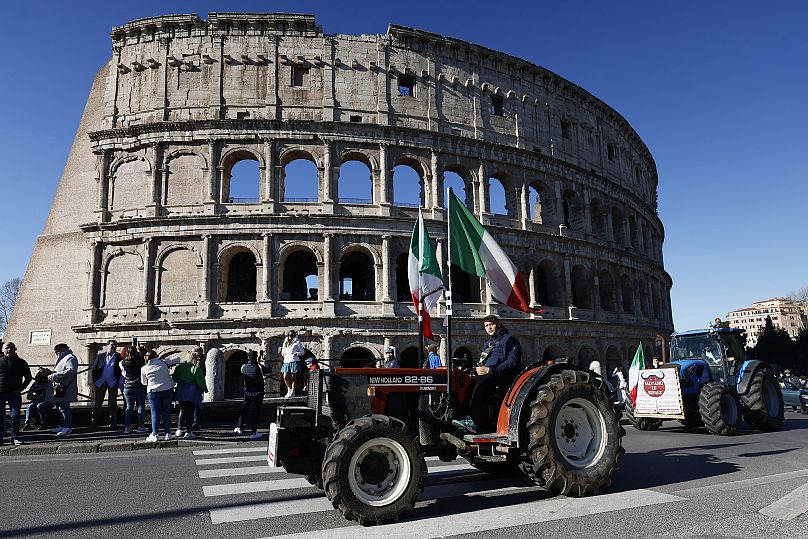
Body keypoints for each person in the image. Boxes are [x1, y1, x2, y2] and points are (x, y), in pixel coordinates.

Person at [452, 315, 522, 433]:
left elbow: (513, 362)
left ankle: (472, 421)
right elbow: (484, 362)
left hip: (503, 376)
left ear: (498, 324)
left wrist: (490, 370)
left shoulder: (510, 340)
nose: (489, 328)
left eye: (491, 324)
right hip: (488, 376)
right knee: (465, 381)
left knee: (479, 383)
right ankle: (463, 417)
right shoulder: (488, 344)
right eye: (486, 326)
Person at [140, 350, 180, 442]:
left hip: (153, 391)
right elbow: (177, 358)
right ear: (156, 356)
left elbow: (144, 382)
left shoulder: (144, 368)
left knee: (155, 413)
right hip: (167, 390)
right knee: (167, 413)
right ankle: (167, 433)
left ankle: (155, 434)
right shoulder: (163, 363)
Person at [0, 342, 33, 446]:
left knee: (15, 416)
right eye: (6, 348)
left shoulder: (21, 362)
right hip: (0, 393)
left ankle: (15, 437)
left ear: (15, 349)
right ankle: (0, 438)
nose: (9, 350)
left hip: (14, 393)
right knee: (0, 416)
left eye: (11, 348)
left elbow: (28, 377)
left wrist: (21, 388)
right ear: (2, 350)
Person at [235, 351, 271, 440]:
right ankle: (253, 431)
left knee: (244, 410)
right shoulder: (259, 367)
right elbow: (269, 369)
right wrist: (263, 361)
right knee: (255, 412)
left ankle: (239, 427)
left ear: (248, 357)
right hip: (258, 393)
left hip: (248, 393)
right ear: (256, 357)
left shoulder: (243, 367)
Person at [173, 351, 207, 439]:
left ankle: (179, 429)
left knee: (182, 410)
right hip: (192, 392)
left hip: (181, 390)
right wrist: (205, 389)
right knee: (190, 412)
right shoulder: (196, 368)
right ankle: (188, 432)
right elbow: (200, 381)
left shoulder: (180, 367)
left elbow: (174, 378)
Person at [90, 340, 122, 430]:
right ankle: (94, 422)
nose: (113, 347)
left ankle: (113, 422)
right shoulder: (100, 356)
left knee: (113, 403)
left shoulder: (119, 356)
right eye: (111, 345)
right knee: (98, 403)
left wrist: (117, 380)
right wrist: (95, 380)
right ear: (107, 346)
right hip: (100, 382)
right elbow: (94, 368)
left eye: (115, 345)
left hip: (113, 382)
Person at [48, 343, 78, 436]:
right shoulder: (63, 357)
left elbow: (71, 371)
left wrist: (55, 375)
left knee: (64, 408)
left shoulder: (70, 358)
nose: (56, 354)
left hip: (66, 387)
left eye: (57, 352)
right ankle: (62, 425)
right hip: (60, 387)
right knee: (60, 407)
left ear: (63, 349)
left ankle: (67, 427)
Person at [120, 345, 149, 434]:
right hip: (139, 385)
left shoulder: (123, 362)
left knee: (129, 407)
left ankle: (127, 427)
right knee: (141, 406)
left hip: (128, 386)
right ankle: (141, 426)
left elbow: (123, 373)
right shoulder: (140, 361)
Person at [280, 330, 304, 398]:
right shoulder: (285, 342)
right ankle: (289, 389)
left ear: (294, 335)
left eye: (292, 335)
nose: (290, 336)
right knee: (285, 376)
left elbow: (302, 352)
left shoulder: (297, 342)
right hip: (286, 361)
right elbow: (282, 352)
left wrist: (296, 353)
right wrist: (284, 354)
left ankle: (293, 391)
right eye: (289, 335)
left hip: (294, 360)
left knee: (293, 377)